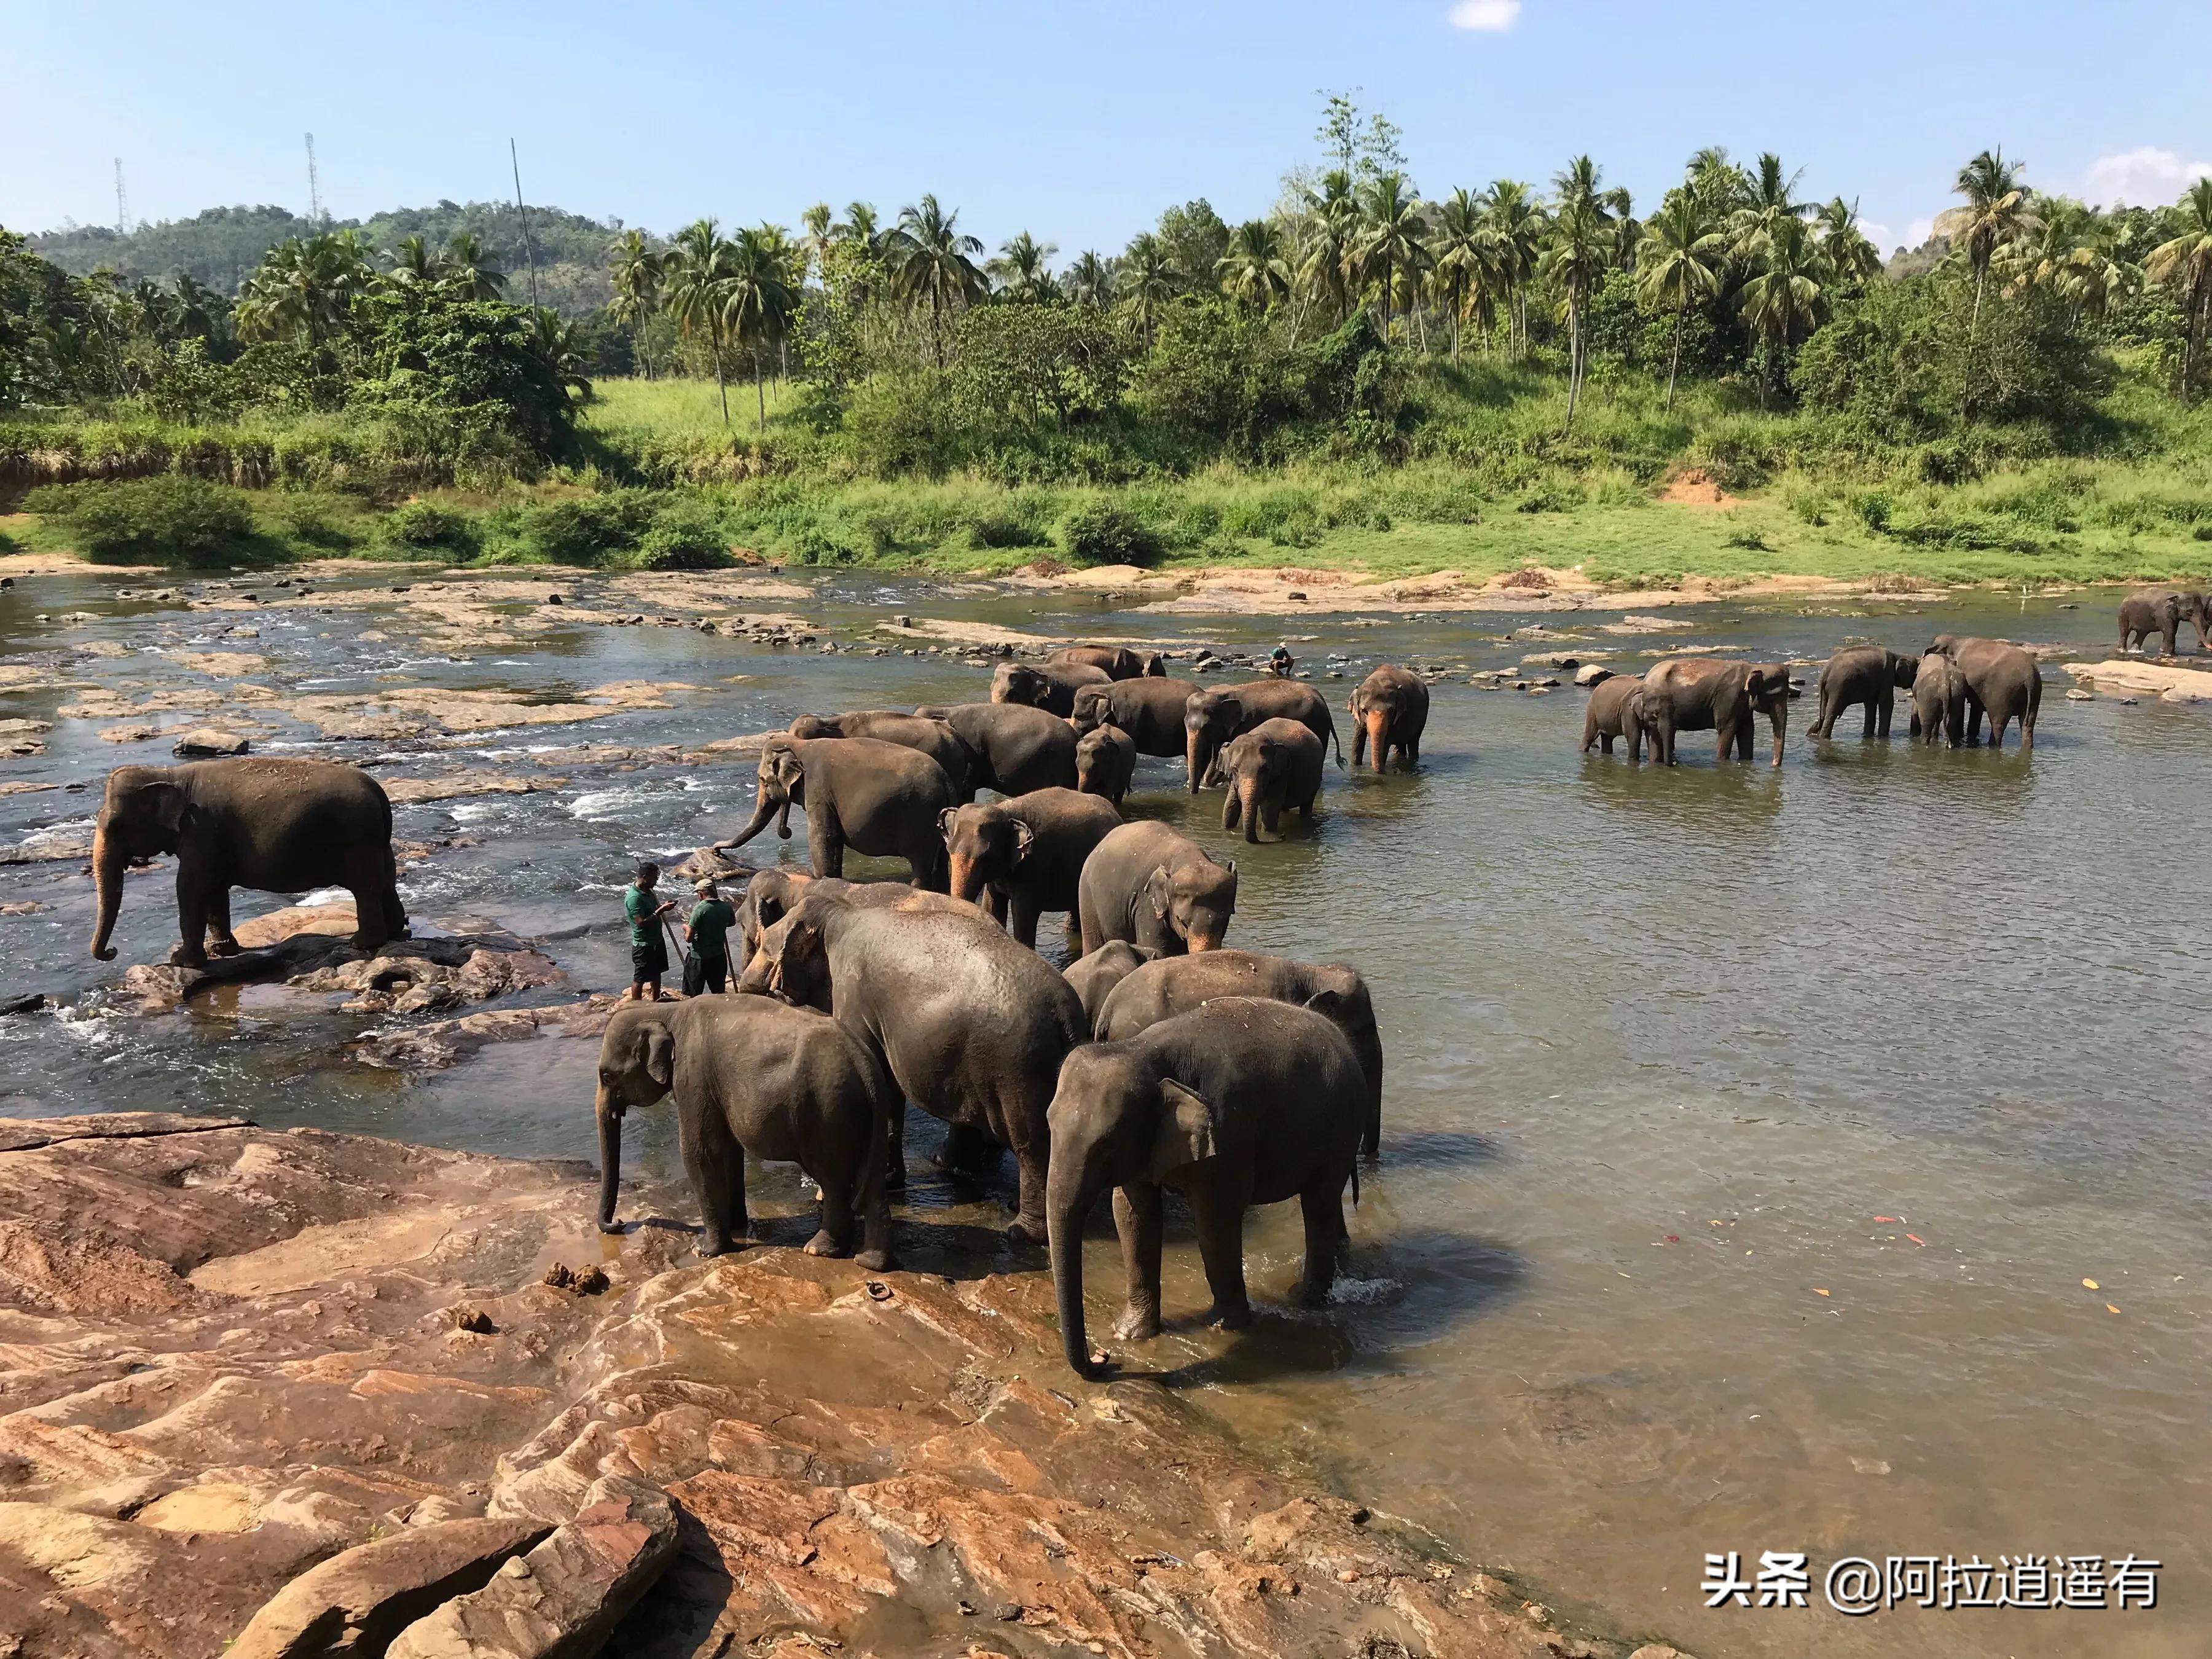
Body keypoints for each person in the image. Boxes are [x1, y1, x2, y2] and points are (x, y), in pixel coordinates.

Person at [624, 862, 677, 1001]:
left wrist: (664, 906)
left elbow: (654, 910)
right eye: (655, 877)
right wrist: (661, 911)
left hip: (657, 940)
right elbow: (641, 923)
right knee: (640, 977)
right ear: (645, 877)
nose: (657, 880)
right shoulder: (634, 898)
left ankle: (656, 1000)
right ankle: (636, 1005)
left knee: (657, 972)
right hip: (644, 944)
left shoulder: (649, 891)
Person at [684, 877, 738, 995]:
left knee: (695, 994)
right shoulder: (726, 907)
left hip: (700, 958)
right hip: (719, 956)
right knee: (718, 992)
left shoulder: (699, 910)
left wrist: (686, 928)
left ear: (701, 893)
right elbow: (732, 922)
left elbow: (689, 938)